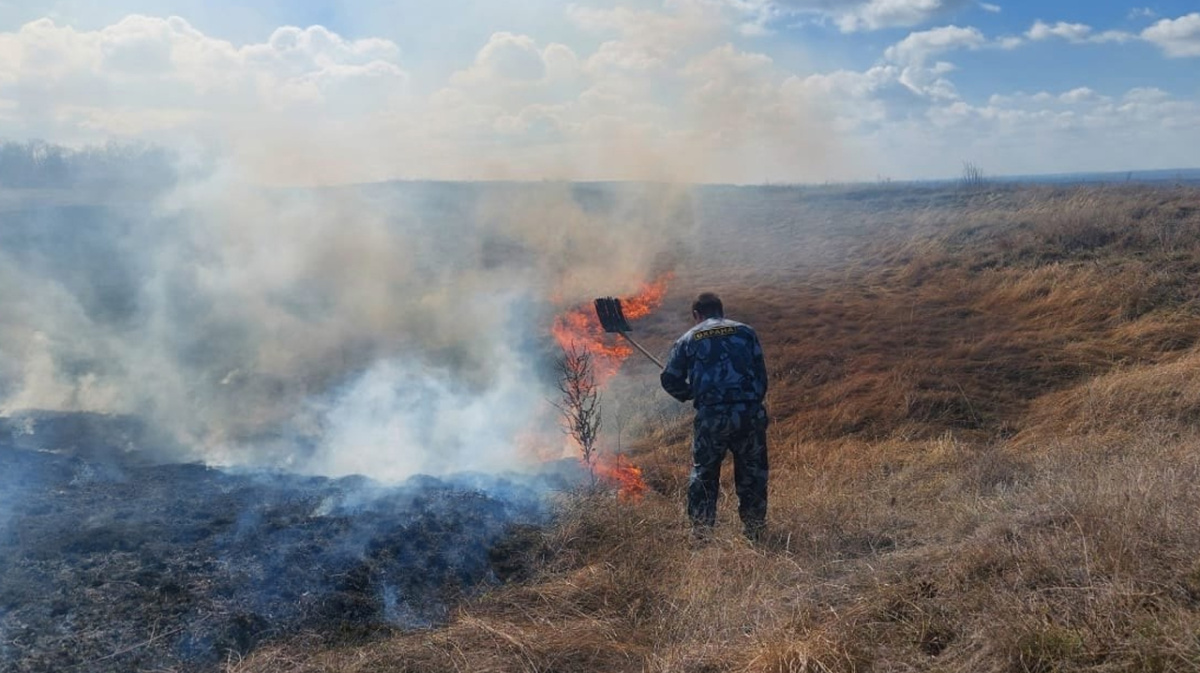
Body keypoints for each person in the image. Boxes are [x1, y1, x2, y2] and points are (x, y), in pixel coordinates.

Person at [660, 292, 769, 540]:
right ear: (721, 310)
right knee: (752, 472)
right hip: (748, 413)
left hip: (712, 416)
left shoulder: (689, 338)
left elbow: (669, 379)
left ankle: (702, 533)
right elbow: (761, 375)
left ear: (697, 315)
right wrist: (751, 401)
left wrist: (690, 393)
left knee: (705, 474)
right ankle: (755, 530)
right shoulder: (746, 332)